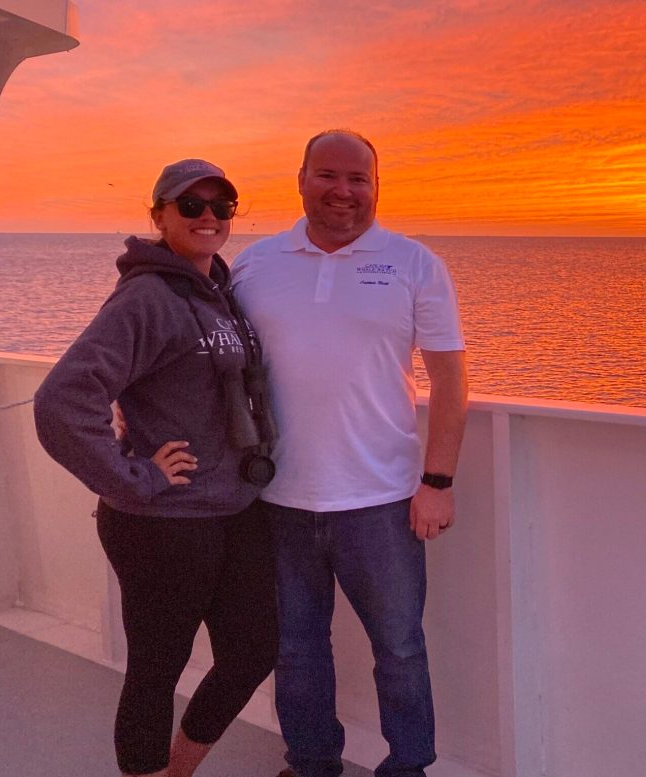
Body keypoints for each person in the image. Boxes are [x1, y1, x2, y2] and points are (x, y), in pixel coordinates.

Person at [229, 130, 468, 777]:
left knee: (399, 648)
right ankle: (311, 763)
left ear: (376, 186)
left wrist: (437, 480)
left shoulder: (415, 263)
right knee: (297, 649)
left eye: (358, 178)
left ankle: (408, 766)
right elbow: (221, 368)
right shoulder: (256, 263)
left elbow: (449, 380)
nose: (344, 191)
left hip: (383, 502)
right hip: (278, 499)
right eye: (329, 175)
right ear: (301, 178)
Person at [34, 160, 279, 777]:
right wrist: (134, 475)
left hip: (231, 509)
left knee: (252, 649)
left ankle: (179, 767)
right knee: (156, 669)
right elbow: (63, 400)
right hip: (163, 521)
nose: (208, 217)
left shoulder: (216, 291)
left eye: (221, 206)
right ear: (158, 216)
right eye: (189, 206)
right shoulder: (147, 296)